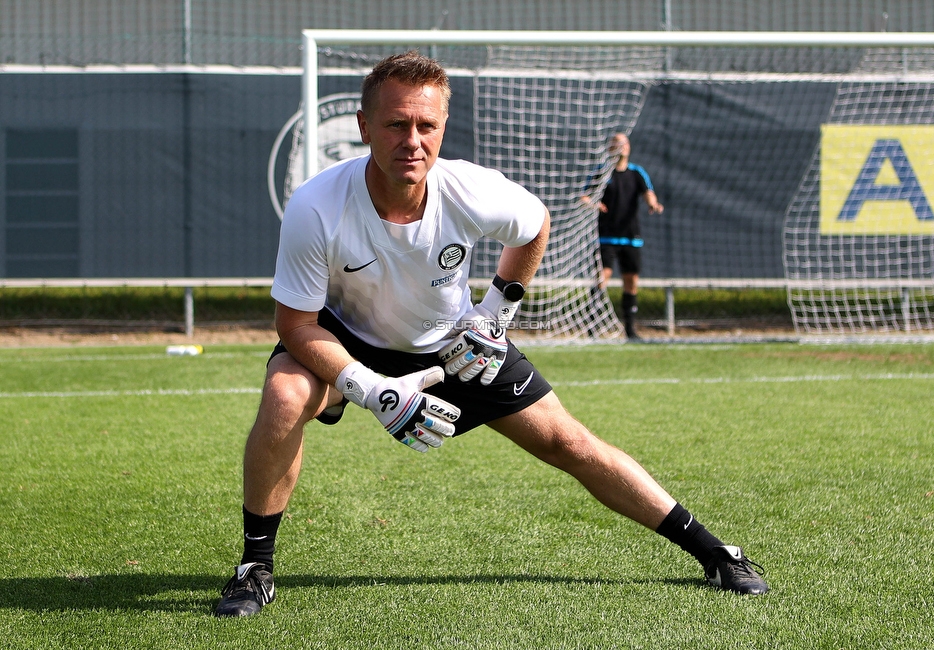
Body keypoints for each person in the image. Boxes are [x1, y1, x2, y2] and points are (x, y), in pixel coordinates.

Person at [214, 51, 767, 617]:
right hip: (344, 338)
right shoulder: (316, 205)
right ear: (363, 127)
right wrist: (370, 389)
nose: (412, 140)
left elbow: (535, 225)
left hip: (451, 345)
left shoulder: (469, 190)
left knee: (569, 442)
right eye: (396, 123)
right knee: (286, 395)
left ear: (443, 127)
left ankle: (714, 552)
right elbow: (296, 325)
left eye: (426, 125)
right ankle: (254, 566)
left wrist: (495, 313)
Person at [582, 133, 664, 340]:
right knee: (602, 277)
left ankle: (630, 329)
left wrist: (653, 204)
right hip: (607, 236)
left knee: (631, 280)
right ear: (610, 148)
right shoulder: (602, 172)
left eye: (624, 143)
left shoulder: (636, 173)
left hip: (630, 237)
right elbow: (584, 196)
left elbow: (648, 193)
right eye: (617, 143)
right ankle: (592, 326)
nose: (621, 147)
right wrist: (594, 204)